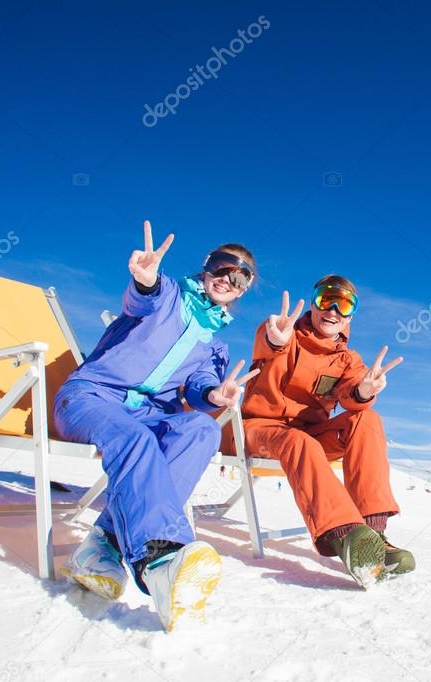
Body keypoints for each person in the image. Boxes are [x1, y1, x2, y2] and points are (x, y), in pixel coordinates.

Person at [54, 220, 257, 632]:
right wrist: (144, 281)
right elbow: (141, 301)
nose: (227, 279)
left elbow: (199, 387)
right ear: (206, 268)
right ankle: (159, 557)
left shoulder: (215, 343)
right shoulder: (167, 295)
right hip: (92, 397)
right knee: (136, 440)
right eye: (221, 267)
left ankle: (105, 544)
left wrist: (215, 396)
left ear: (242, 291)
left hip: (148, 412)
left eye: (239, 278)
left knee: (201, 430)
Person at [241, 275, 412, 587]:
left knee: (366, 419)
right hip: (259, 429)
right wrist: (274, 339)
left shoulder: (347, 359)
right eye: (325, 299)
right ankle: (344, 535)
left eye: (344, 304)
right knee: (298, 441)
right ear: (315, 303)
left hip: (310, 435)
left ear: (351, 314)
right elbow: (268, 348)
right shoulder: (285, 332)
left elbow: (350, 392)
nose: (333, 310)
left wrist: (363, 390)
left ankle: (373, 534)